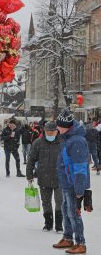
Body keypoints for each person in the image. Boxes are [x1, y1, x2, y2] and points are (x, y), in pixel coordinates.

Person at [53, 109, 91, 254]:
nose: (57, 128)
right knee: (65, 210)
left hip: (74, 184)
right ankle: (68, 238)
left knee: (73, 213)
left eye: (59, 126)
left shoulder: (76, 141)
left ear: (66, 126)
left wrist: (80, 190)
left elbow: (80, 168)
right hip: (67, 182)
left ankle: (80, 243)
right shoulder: (67, 138)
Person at [26, 121, 63, 233]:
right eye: (48, 132)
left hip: (60, 178)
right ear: (44, 131)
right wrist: (29, 174)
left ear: (57, 131)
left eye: (52, 132)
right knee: (46, 202)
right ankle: (48, 223)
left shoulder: (62, 142)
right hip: (43, 177)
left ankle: (59, 225)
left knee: (59, 201)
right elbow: (31, 159)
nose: (50, 134)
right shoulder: (38, 143)